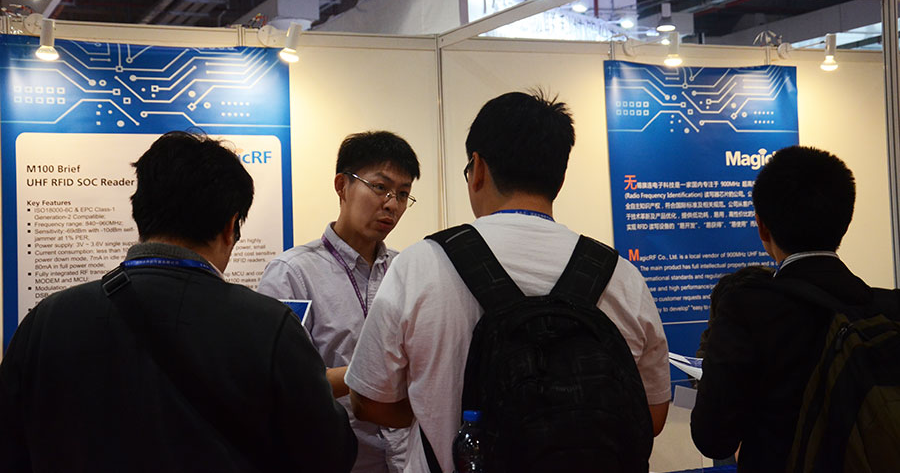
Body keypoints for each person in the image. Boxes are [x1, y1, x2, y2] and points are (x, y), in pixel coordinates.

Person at [345, 91, 671, 473]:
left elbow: (368, 400)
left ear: (478, 168)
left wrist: (432, 408)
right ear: (560, 178)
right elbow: (651, 416)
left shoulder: (420, 265)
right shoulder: (622, 276)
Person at [0, 131, 357, 473]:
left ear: (139, 212)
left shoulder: (47, 319)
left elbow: (11, 448)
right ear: (231, 226)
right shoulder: (269, 325)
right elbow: (329, 453)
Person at [691, 145, 872, 472]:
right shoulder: (886, 307)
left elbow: (712, 438)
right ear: (845, 221)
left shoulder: (745, 310)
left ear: (762, 226)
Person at [258, 130, 420, 473]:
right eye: (380, 187)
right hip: (336, 459)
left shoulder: (407, 269)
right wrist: (371, 374)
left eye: (403, 194)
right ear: (342, 186)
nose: (392, 204)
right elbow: (280, 382)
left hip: (407, 460)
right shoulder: (292, 273)